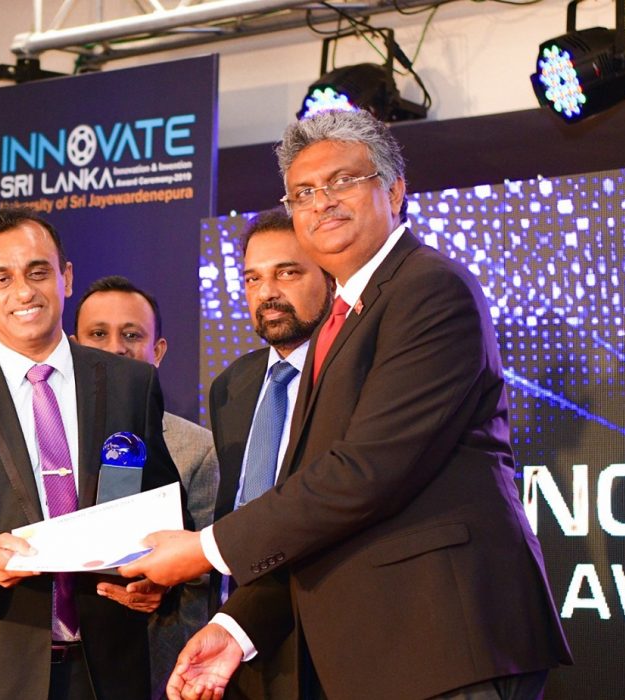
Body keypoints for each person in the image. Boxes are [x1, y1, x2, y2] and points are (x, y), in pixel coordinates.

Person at [121, 110, 571, 699]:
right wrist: (236, 629)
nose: (322, 202)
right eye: (303, 192)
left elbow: (365, 472)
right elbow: (319, 502)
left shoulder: (429, 289)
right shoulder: (340, 321)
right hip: (382, 652)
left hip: (446, 640)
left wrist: (206, 549)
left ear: (395, 191)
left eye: (342, 181)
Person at [0, 207, 182, 700]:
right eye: (2, 279)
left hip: (107, 672)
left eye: (38, 272)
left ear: (66, 277)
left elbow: (164, 511)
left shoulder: (131, 383)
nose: (23, 292)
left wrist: (158, 581)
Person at [202, 209, 332, 700]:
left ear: (329, 276)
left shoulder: (350, 376)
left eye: (287, 272)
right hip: (237, 637)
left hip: (323, 628)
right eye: (253, 278)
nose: (267, 292)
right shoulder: (230, 385)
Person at [71, 275, 218, 699]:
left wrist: (164, 585)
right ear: (73, 346)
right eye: (98, 334)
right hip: (44, 662)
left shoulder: (198, 449)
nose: (116, 348)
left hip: (147, 665)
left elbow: (208, 568)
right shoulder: (46, 439)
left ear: (158, 351)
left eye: (132, 335)